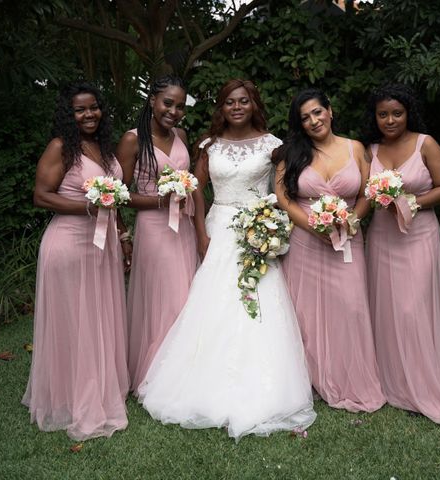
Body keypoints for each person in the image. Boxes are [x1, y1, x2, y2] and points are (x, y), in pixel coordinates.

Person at [138, 79, 316, 441]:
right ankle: (203, 381)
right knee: (213, 302)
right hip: (218, 228)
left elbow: (281, 192)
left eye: (244, 101)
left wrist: (273, 228)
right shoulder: (208, 144)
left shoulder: (273, 145)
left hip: (258, 227)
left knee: (260, 302)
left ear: (254, 105)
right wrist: (202, 233)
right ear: (222, 107)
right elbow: (197, 188)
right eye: (230, 102)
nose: (237, 107)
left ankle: (262, 385)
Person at [362, 83, 440, 426]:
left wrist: (411, 201)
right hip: (383, 236)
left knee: (413, 307)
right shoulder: (369, 150)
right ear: (375, 116)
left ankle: (422, 383)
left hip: (418, 234)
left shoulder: (425, 143)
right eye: (383, 114)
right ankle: (392, 379)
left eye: (396, 113)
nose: (389, 120)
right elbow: (363, 193)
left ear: (408, 113)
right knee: (386, 306)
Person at [22, 82, 130, 440]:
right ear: (68, 115)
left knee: (98, 316)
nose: (89, 115)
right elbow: (41, 196)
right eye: (80, 110)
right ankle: (70, 397)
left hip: (102, 248)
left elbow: (114, 201)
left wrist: (121, 235)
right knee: (75, 321)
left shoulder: (103, 147)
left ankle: (100, 387)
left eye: (94, 107)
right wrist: (90, 206)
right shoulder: (60, 148)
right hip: (68, 244)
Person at [273, 89, 385, 412]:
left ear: (330, 111)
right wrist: (313, 227)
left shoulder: (356, 148)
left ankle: (348, 377)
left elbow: (367, 191)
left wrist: (352, 220)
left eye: (318, 112)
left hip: (348, 238)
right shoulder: (291, 153)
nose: (313, 121)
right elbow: (284, 199)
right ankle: (310, 378)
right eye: (305, 117)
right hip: (306, 241)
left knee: (350, 307)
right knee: (304, 310)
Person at [116, 75, 198, 393]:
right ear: (152, 100)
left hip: (185, 228)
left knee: (186, 295)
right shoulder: (132, 140)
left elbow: (190, 179)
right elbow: (119, 194)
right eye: (168, 103)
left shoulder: (181, 134)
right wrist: (158, 200)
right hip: (154, 228)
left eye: (180, 106)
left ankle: (184, 368)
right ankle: (157, 373)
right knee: (164, 297)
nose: (174, 111)